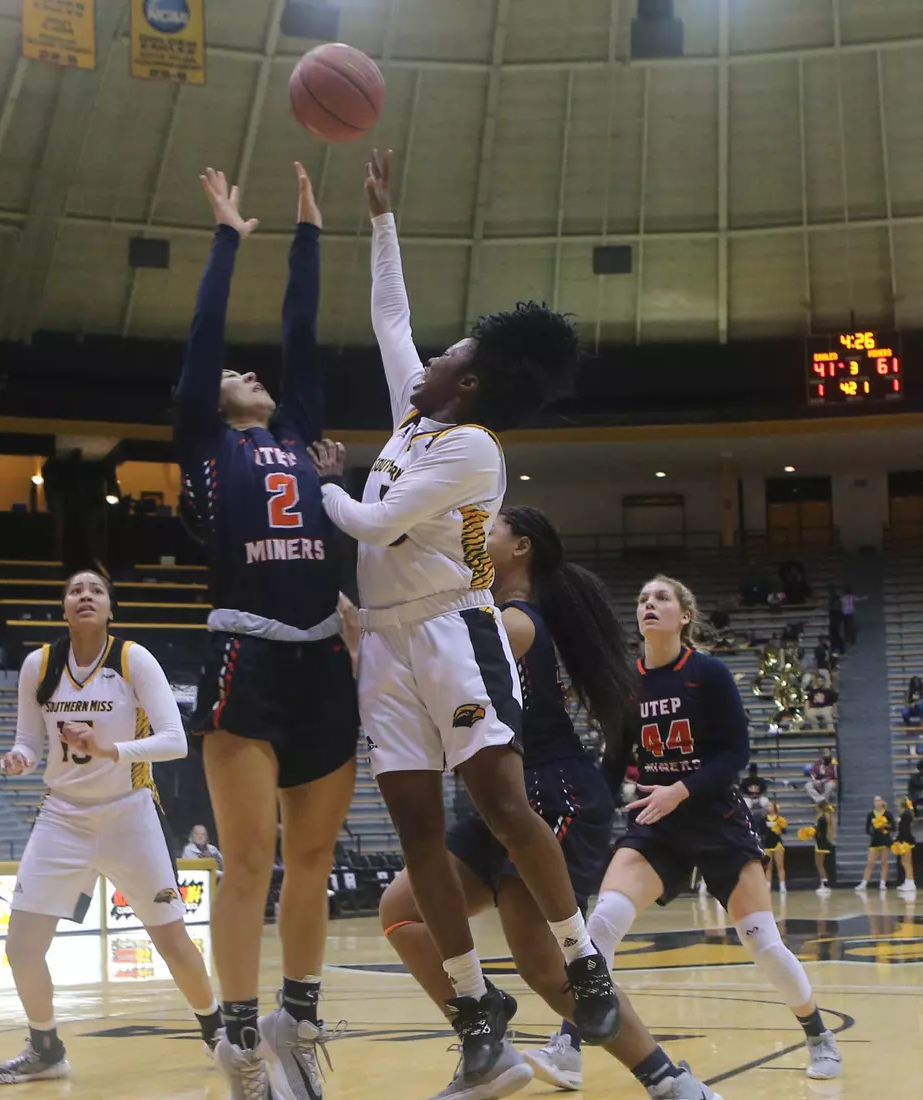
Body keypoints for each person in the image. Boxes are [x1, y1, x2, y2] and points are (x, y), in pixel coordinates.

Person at [309, 149, 622, 1099]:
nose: (431, 356)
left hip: (454, 627)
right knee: (415, 834)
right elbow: (391, 319)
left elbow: (369, 522)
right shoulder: (413, 421)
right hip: (389, 642)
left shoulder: (476, 449)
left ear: (471, 384)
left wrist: (319, 480)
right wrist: (381, 218)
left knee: (503, 806)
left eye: (450, 357)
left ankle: (583, 960)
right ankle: (477, 1016)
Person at [377, 508, 720, 1100]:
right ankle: (489, 1043)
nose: (479, 532)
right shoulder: (499, 614)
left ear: (521, 548)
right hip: (496, 796)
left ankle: (668, 1079)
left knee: (541, 966)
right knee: (402, 911)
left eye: (493, 526)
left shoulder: (514, 623)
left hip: (547, 794)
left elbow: (433, 670)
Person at [174, 163, 358, 1100]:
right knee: (248, 859)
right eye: (230, 378)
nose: (246, 373)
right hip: (245, 652)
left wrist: (310, 235)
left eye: (254, 376)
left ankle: (298, 1025)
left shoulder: (301, 435)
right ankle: (240, 1043)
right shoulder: (205, 446)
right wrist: (228, 239)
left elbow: (301, 336)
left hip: (324, 651)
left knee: (314, 858)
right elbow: (208, 337)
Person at [583, 577, 842, 1082]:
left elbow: (735, 756)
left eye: (660, 598)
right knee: (602, 922)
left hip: (715, 817)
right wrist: (587, 811)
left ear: (684, 615)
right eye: (641, 600)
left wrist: (678, 789)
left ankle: (818, 1034)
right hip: (655, 824)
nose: (649, 605)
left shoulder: (709, 673)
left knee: (762, 943)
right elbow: (613, 764)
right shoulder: (624, 684)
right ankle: (568, 1043)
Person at [0, 569, 218, 1086]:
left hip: (128, 810)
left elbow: (176, 741)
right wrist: (19, 758)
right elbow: (28, 739)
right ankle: (45, 1048)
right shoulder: (38, 665)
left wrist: (111, 750)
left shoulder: (133, 660)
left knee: (172, 940)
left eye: (96, 591)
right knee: (21, 947)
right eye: (74, 590)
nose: (85, 596)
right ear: (64, 607)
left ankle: (218, 1036)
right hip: (62, 814)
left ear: (110, 608)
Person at [856, 795, 892, 892]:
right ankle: (863, 883)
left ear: (882, 802)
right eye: (875, 801)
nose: (877, 802)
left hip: (885, 840)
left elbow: (894, 827)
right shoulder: (870, 815)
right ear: (873, 803)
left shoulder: (888, 814)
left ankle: (883, 883)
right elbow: (867, 829)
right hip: (874, 841)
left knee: (884, 862)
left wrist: (885, 826)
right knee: (870, 863)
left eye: (879, 800)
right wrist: (874, 832)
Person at [802, 801, 835, 895]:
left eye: (817, 807)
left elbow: (819, 833)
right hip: (822, 842)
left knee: (819, 864)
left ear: (820, 808)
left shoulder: (821, 818)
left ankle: (825, 884)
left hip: (821, 843)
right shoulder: (825, 817)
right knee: (820, 864)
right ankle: (824, 883)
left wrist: (811, 832)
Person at [891, 798, 918, 897]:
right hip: (904, 839)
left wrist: (899, 839)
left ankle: (911, 883)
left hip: (906, 840)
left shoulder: (905, 815)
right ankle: (907, 882)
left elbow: (904, 829)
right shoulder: (906, 814)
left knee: (907, 862)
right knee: (904, 862)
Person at [761, 803, 789, 893]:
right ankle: (768, 886)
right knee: (768, 867)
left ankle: (782, 886)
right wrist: (767, 828)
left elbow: (784, 831)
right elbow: (761, 831)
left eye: (770, 806)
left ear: (774, 808)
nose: (768, 807)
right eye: (767, 806)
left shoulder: (780, 819)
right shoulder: (764, 819)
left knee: (780, 866)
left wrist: (780, 826)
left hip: (777, 844)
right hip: (767, 844)